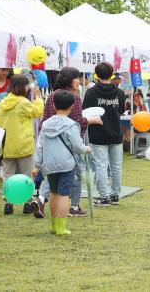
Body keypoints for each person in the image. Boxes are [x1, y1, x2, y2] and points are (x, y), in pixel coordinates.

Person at [32, 67, 102, 219]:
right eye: (77, 78)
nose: (79, 81)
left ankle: (41, 199)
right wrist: (91, 120)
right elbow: (76, 122)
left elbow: (44, 120)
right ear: (70, 79)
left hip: (51, 142)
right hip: (69, 144)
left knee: (50, 174)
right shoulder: (74, 98)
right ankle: (74, 206)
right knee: (74, 175)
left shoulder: (52, 96)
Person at [33, 90, 91, 236]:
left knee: (53, 193)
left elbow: (39, 146)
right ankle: (61, 227)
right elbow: (77, 146)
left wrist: (36, 165)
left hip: (49, 164)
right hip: (66, 165)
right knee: (64, 194)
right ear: (72, 107)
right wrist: (86, 149)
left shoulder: (46, 124)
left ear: (53, 105)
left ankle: (54, 225)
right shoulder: (72, 125)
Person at [0, 74, 44, 215]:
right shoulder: (23, 103)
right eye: (27, 85)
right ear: (23, 87)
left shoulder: (2, 103)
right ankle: (27, 203)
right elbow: (37, 112)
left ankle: (8, 203)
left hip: (6, 146)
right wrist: (39, 98)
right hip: (24, 146)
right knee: (26, 175)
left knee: (8, 175)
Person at [82, 61, 126, 207]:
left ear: (96, 74)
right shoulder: (119, 92)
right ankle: (115, 195)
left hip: (98, 133)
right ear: (112, 73)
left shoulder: (91, 92)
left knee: (101, 165)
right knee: (116, 166)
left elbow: (85, 113)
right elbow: (120, 111)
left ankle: (104, 197)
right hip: (116, 133)